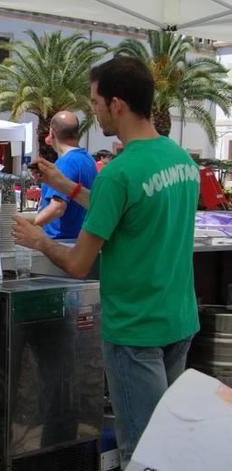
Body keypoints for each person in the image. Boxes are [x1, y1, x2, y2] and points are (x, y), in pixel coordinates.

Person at [11, 56, 200, 467]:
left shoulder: (120, 172)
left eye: (95, 102)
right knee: (172, 447)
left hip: (135, 331)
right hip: (179, 322)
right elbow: (128, 212)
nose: (93, 112)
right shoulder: (182, 162)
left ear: (117, 104)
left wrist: (38, 239)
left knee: (144, 454)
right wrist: (68, 187)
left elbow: (79, 263)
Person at [32, 111, 97, 239]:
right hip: (79, 240)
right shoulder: (89, 159)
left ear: (52, 133)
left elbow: (57, 208)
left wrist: (27, 226)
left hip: (60, 242)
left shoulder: (66, 163)